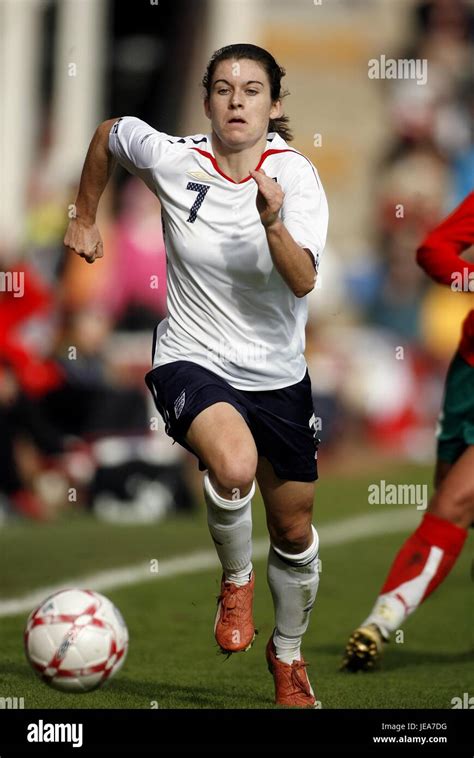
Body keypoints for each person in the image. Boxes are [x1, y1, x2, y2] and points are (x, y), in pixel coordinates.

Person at [64, 43, 328, 707]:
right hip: (191, 355)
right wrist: (85, 216)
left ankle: (288, 657)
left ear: (275, 104)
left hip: (277, 375)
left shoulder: (296, 180)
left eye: (252, 89)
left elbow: (302, 283)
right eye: (224, 88)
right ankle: (235, 583)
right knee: (233, 465)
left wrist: (270, 222)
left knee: (294, 531)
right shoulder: (173, 157)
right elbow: (109, 135)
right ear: (207, 100)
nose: (237, 100)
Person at [341, 192, 474, 671]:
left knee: (454, 501)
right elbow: (434, 249)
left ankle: (380, 621)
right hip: (468, 375)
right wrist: (471, 277)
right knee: (451, 497)